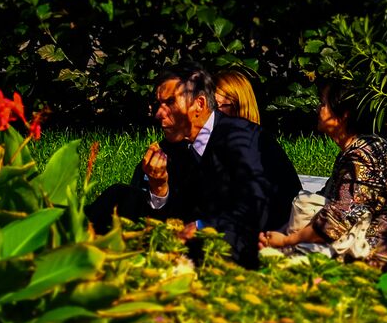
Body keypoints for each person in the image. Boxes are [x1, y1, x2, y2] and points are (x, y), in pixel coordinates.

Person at [84, 64, 301, 268]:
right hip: (202, 239)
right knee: (120, 196)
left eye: (169, 103)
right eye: (158, 105)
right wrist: (159, 188)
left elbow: (253, 210)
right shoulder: (178, 147)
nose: (159, 114)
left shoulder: (241, 139)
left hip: (254, 246)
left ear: (199, 104)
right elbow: (174, 214)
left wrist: (200, 227)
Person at [260, 81, 387, 270]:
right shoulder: (363, 150)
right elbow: (329, 202)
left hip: (371, 264)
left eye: (323, 104)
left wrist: (286, 240)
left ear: (343, 115)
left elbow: (335, 221)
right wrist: (279, 235)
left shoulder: (361, 157)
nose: (318, 109)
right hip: (362, 256)